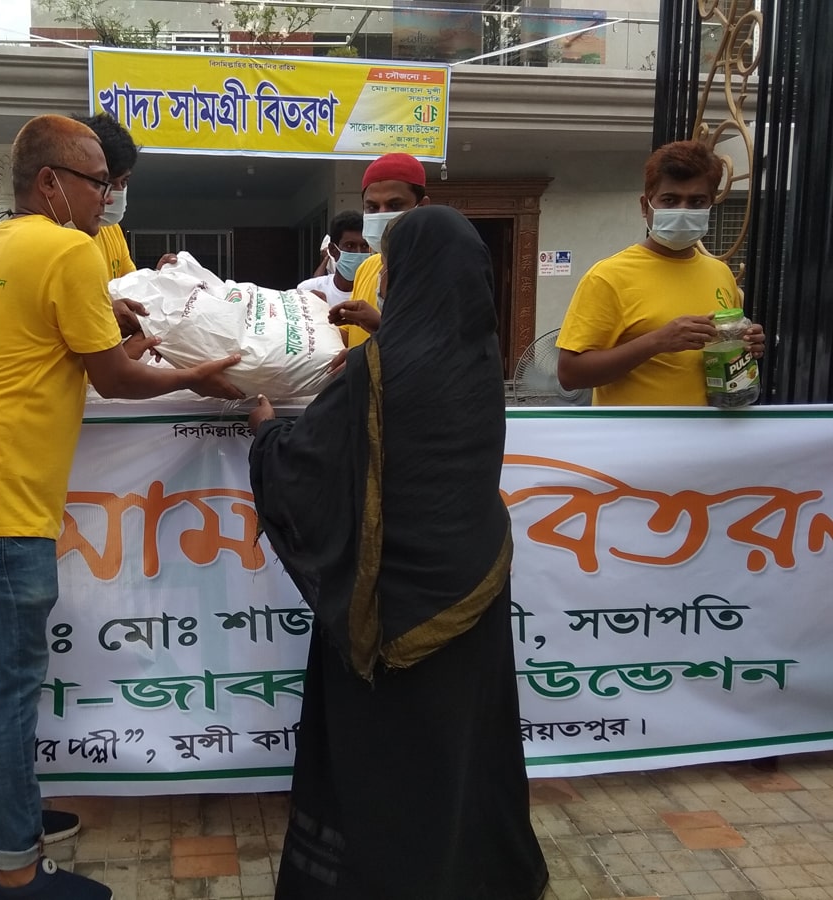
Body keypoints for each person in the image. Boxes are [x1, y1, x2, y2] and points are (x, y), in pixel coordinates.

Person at [0, 114, 244, 900]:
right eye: (97, 182)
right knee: (5, 688)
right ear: (49, 183)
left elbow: (43, 346)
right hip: (0, 506)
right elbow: (115, 379)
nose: (107, 196)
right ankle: (16, 871)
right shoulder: (66, 251)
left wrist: (115, 328)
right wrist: (195, 376)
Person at [246, 205, 548, 900]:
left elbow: (304, 467)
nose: (381, 282)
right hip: (473, 587)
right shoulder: (481, 359)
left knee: (388, 760)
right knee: (463, 747)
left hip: (387, 609)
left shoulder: (375, 370)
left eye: (392, 272)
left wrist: (264, 432)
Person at [557, 139, 766, 405]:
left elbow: (719, 354)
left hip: (712, 428)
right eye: (670, 200)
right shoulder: (608, 277)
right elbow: (570, 374)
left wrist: (744, 345)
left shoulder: (720, 272)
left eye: (696, 201)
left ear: (710, 206)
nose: (683, 211)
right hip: (640, 430)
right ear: (645, 206)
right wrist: (657, 341)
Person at [75, 112, 176, 338]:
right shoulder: (55, 240)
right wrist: (106, 314)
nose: (114, 196)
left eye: (124, 182)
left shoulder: (111, 230)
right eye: (105, 183)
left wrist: (157, 280)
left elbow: (132, 289)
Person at [327, 152, 430, 348]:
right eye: (372, 208)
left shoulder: (436, 272)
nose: (382, 215)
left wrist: (379, 326)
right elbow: (350, 336)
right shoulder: (367, 267)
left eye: (394, 205)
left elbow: (438, 350)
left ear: (422, 207)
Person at [295, 211, 370, 308]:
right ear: (333, 250)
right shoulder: (309, 290)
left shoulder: (378, 293)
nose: (358, 253)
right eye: (350, 246)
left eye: (364, 246)